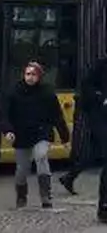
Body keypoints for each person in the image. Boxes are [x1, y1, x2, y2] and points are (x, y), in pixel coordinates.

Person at [3, 62, 70, 209]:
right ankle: (21, 196)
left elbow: (57, 116)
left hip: (42, 132)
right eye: (28, 74)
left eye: (33, 74)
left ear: (39, 76)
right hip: (21, 134)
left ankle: (45, 195)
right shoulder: (14, 92)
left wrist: (65, 138)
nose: (30, 77)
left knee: (41, 156)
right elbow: (5, 115)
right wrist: (8, 131)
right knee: (22, 169)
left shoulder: (47, 92)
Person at [63, 54, 108, 222]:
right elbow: (86, 86)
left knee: (96, 153)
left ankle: (70, 176)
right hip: (100, 117)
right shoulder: (102, 65)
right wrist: (102, 98)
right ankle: (104, 206)